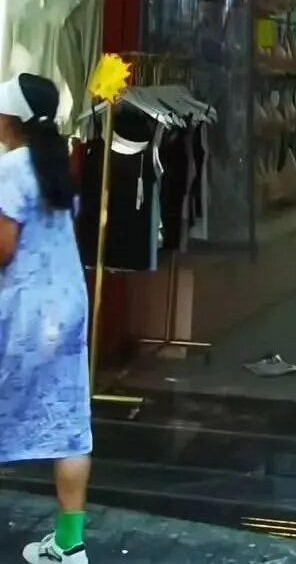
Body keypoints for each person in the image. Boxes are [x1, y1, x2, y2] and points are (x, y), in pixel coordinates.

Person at [0, 73, 92, 563]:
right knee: (69, 423)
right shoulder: (57, 162)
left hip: (24, 311)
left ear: (10, 119)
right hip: (67, 306)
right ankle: (70, 544)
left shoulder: (11, 167)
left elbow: (4, 248)